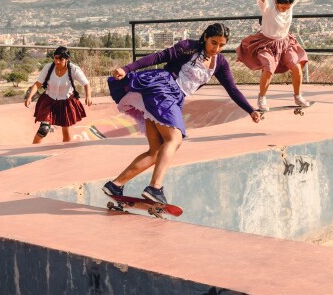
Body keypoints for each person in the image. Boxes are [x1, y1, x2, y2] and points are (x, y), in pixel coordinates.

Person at [102, 22, 260, 205]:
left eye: (221, 45)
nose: (216, 49)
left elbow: (232, 89)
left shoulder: (220, 63)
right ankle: (155, 187)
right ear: (205, 38)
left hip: (173, 98)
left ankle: (116, 185)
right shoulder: (189, 47)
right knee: (174, 139)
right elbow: (158, 57)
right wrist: (127, 68)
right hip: (163, 88)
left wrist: (250, 110)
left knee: (156, 152)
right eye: (213, 43)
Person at [237, 0, 327, 112]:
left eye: (288, 7)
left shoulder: (290, 2)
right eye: (283, 7)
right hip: (266, 43)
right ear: (276, 2)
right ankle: (262, 98)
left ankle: (298, 96)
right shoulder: (269, 9)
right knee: (268, 68)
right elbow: (262, 3)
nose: (285, 9)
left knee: (296, 67)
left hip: (285, 43)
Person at [24, 46, 92, 143]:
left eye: (61, 59)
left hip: (66, 102)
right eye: (56, 58)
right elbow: (38, 84)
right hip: (49, 100)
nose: (58, 61)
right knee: (44, 129)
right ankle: (33, 149)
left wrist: (88, 96)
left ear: (67, 59)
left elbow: (86, 83)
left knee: (66, 131)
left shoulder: (74, 69)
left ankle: (66, 150)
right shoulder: (48, 67)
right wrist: (29, 97)